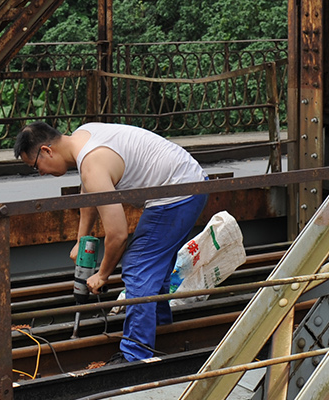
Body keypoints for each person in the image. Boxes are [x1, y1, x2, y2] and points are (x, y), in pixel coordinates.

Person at [14, 121, 208, 362]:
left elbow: (118, 235)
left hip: (177, 193)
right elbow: (88, 195)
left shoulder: (91, 165)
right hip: (188, 182)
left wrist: (103, 275)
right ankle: (161, 330)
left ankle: (135, 357)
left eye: (36, 166)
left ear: (46, 151)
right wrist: (81, 239)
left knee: (138, 266)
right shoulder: (83, 136)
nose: (40, 172)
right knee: (152, 271)